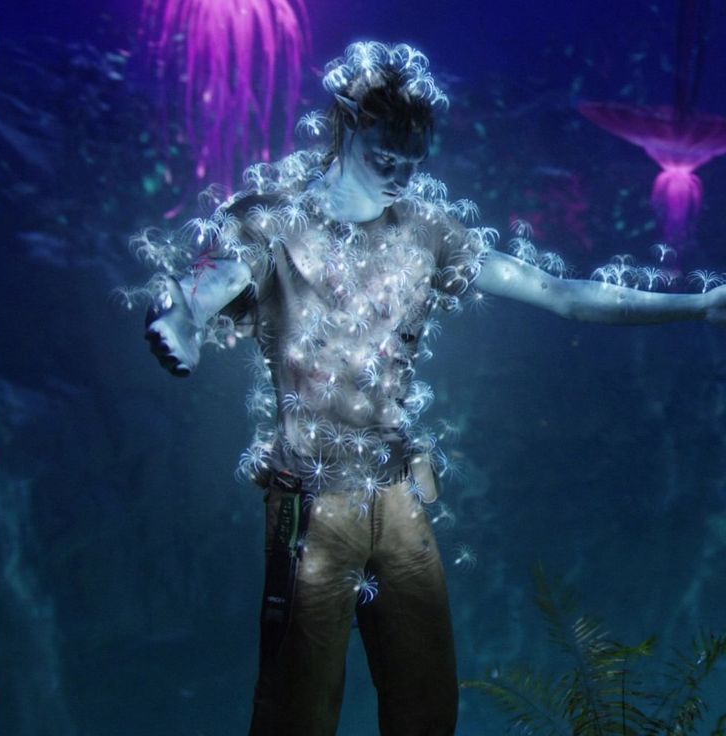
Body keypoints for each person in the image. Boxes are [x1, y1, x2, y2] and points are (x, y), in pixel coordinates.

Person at [140, 42, 725, 736]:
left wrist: (699, 304)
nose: (397, 175)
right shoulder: (274, 218)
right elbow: (208, 289)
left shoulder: (426, 230)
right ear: (348, 128)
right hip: (311, 503)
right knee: (298, 707)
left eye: (411, 162)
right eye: (385, 156)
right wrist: (182, 323)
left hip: (399, 494)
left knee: (426, 703)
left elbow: (557, 293)